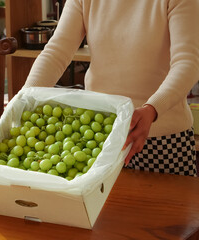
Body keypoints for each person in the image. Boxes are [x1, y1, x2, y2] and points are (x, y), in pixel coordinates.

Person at [22, 0, 199, 176]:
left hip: (164, 140)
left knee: (169, 205)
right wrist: (24, 99)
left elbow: (188, 62)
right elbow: (56, 53)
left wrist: (152, 109)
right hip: (99, 135)